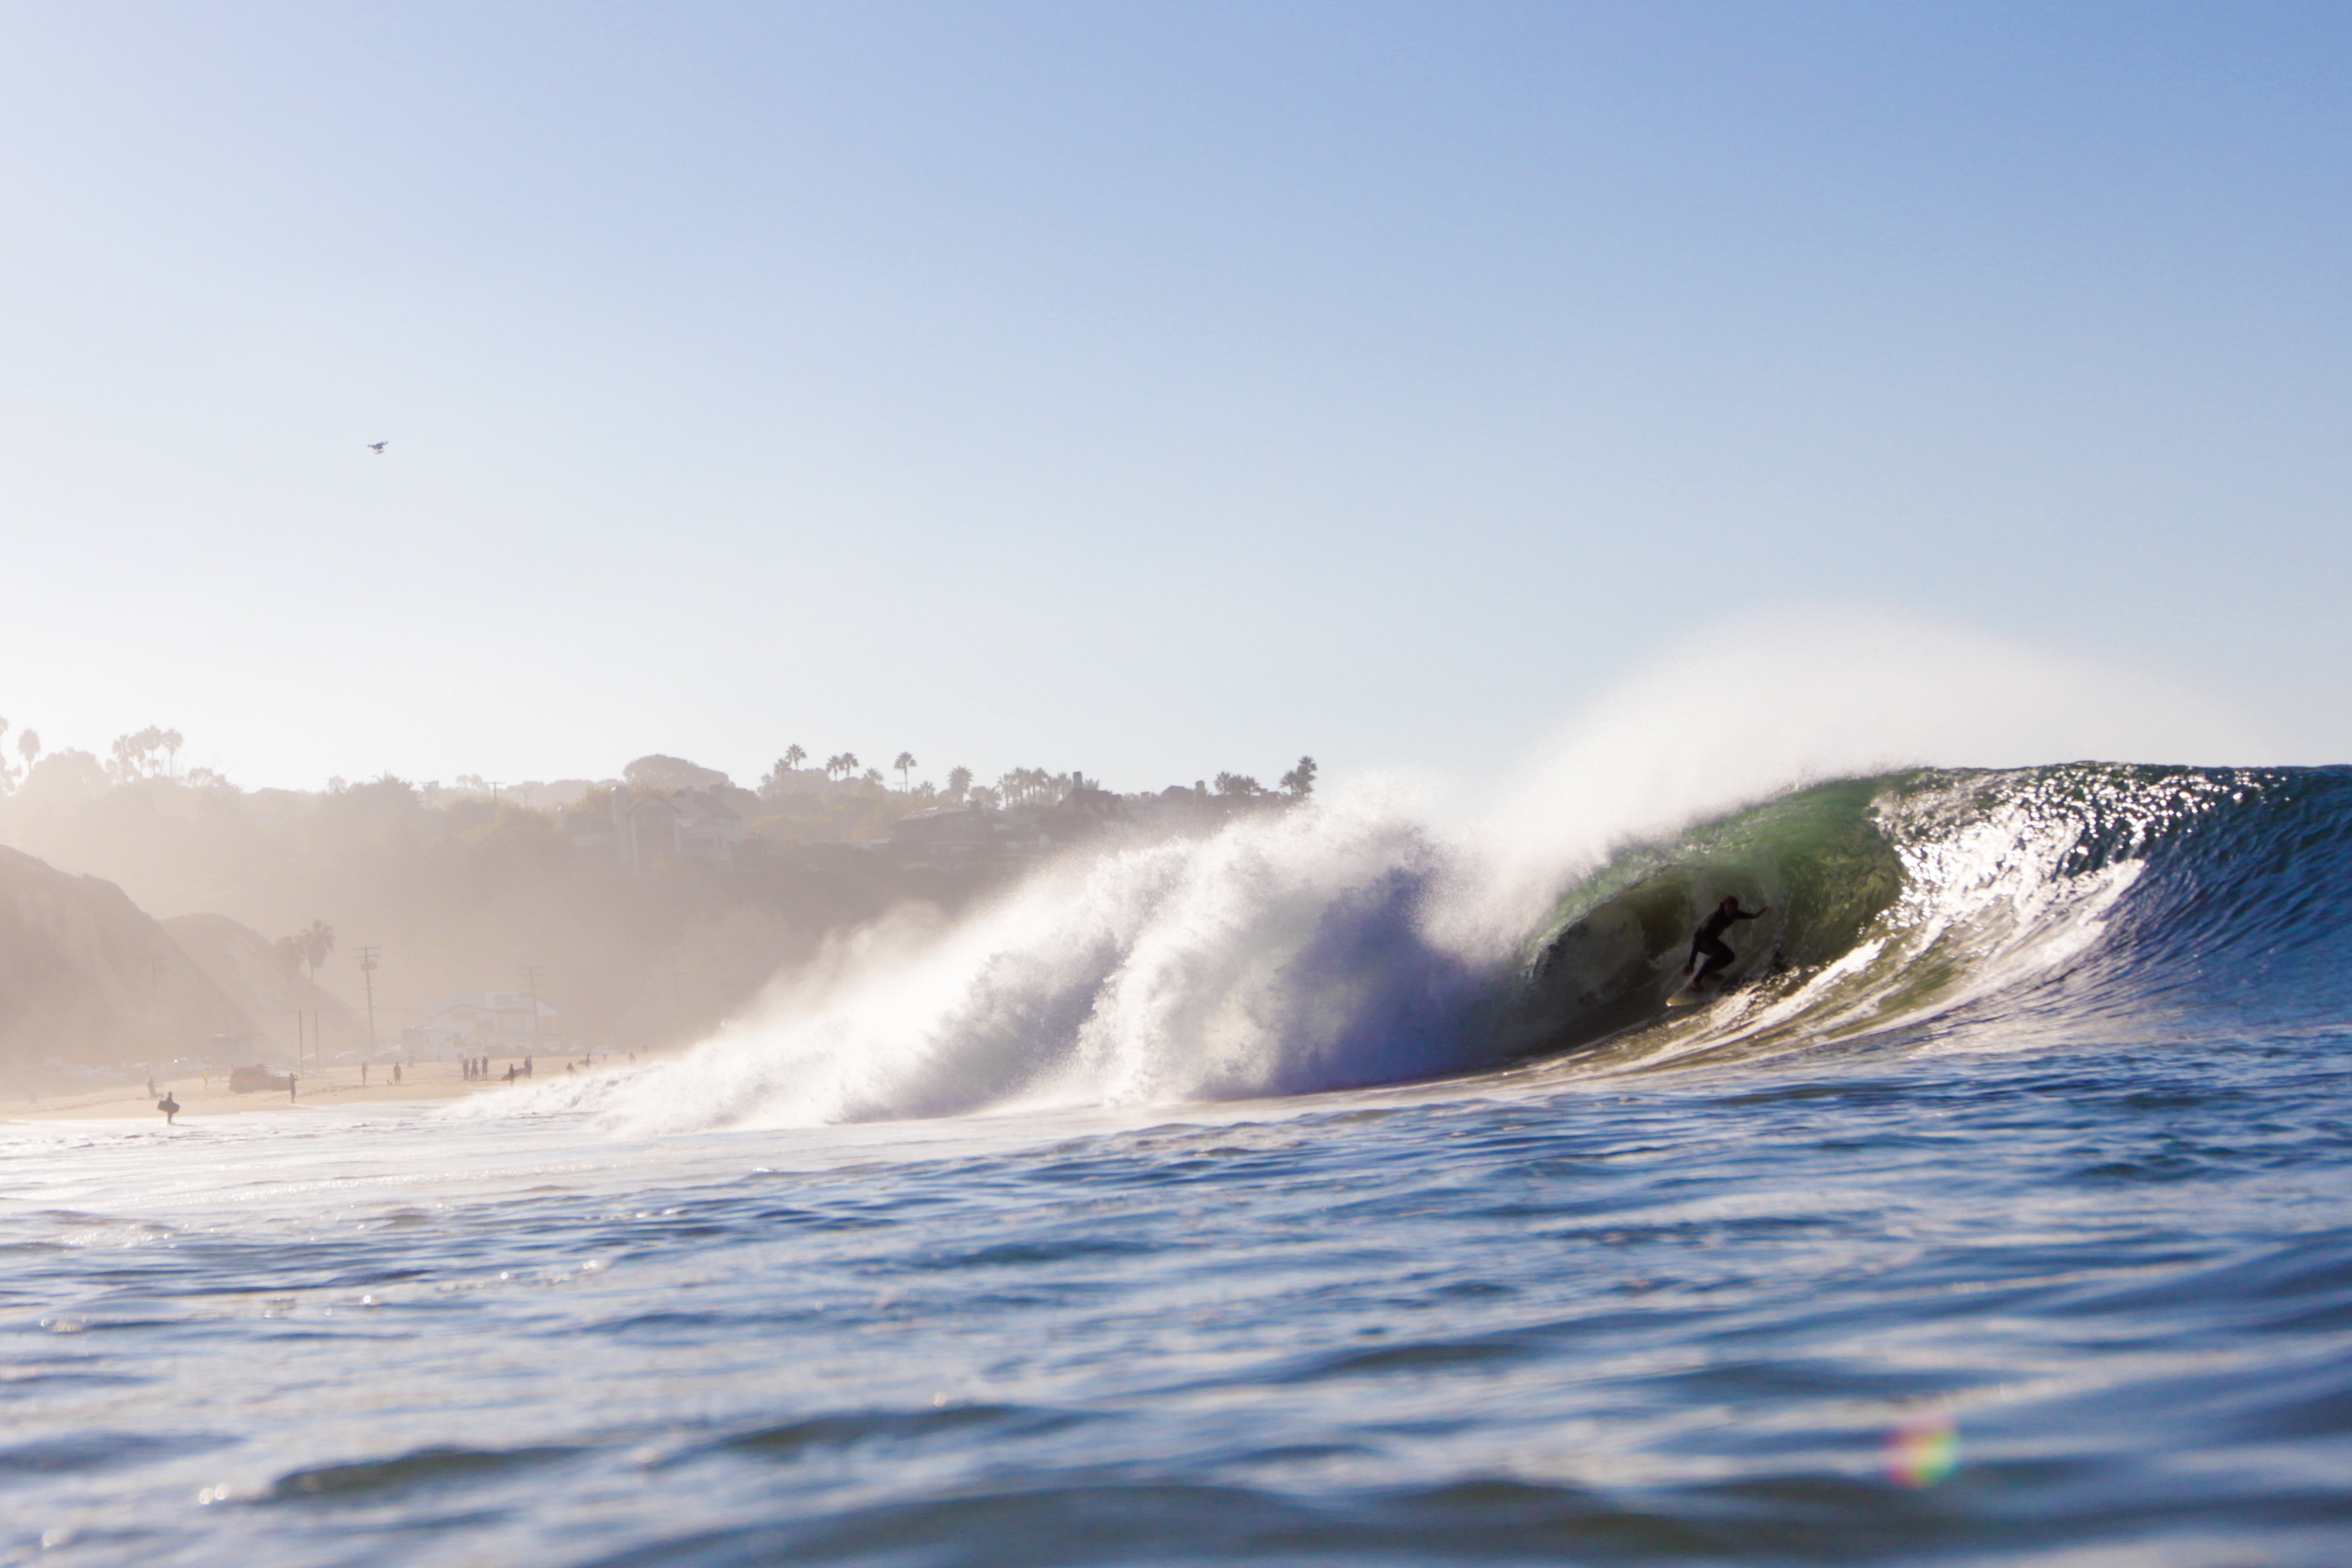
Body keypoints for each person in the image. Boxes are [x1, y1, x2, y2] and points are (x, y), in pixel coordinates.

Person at [1683, 896, 1767, 994]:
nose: (1732, 911)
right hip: (1701, 940)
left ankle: (1708, 973)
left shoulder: (1734, 914)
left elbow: (1752, 916)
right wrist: (1691, 963)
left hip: (1711, 939)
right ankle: (1696, 981)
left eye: (1734, 909)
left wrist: (1763, 911)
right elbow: (1698, 941)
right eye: (1730, 908)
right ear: (1724, 906)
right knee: (1718, 954)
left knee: (1730, 957)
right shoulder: (1716, 919)